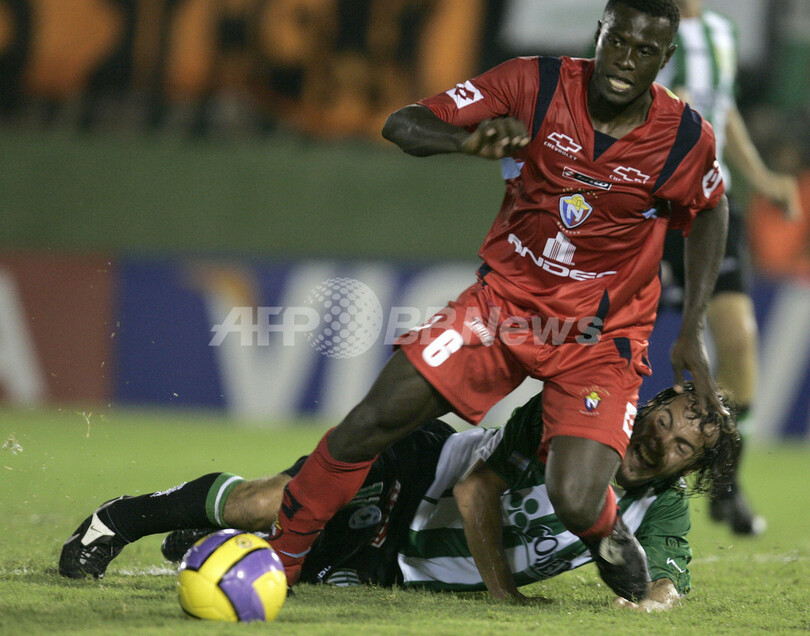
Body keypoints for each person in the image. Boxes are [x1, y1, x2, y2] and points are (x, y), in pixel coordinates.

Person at [61, 0, 730, 603]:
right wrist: (465, 141)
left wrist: (692, 324)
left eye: (645, 50)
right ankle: (280, 563)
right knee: (367, 426)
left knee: (579, 499)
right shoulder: (535, 82)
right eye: (618, 41)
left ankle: (609, 532)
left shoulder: (683, 138)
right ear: (600, 33)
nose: (626, 60)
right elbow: (403, 124)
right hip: (502, 308)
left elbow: (711, 210)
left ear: (664, 57)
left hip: (599, 335)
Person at [60, 383, 740, 612]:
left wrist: (652, 602)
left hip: (404, 568)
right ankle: (118, 520)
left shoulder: (663, 508)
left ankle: (211, 545)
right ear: (655, 403)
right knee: (273, 502)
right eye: (668, 420)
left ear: (693, 468)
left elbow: (667, 583)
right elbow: (477, 487)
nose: (665, 441)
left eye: (686, 446)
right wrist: (503, 592)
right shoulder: (578, 416)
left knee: (301, 575)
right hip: (420, 468)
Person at [654, 0, 802, 535]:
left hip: (712, 207)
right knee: (616, 339)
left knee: (738, 338)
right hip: (646, 207)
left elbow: (726, 109)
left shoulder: (721, 33)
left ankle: (727, 481)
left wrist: (761, 178)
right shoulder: (632, 23)